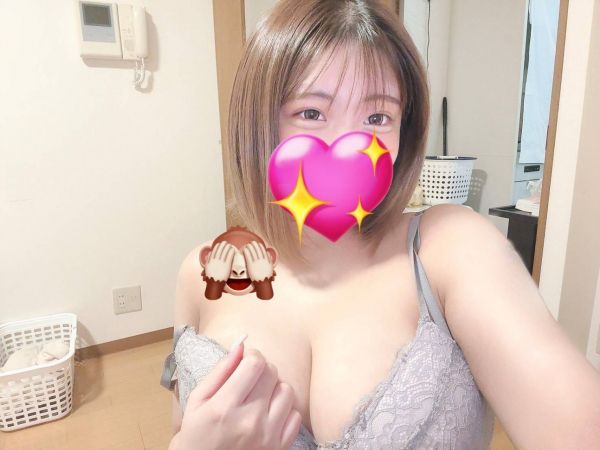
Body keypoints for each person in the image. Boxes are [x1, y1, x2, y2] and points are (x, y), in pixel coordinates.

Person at [162, 1, 600, 449]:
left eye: (377, 118)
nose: (346, 145)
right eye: (310, 113)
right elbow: (180, 426)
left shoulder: (451, 248)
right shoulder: (202, 272)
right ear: (257, 121)